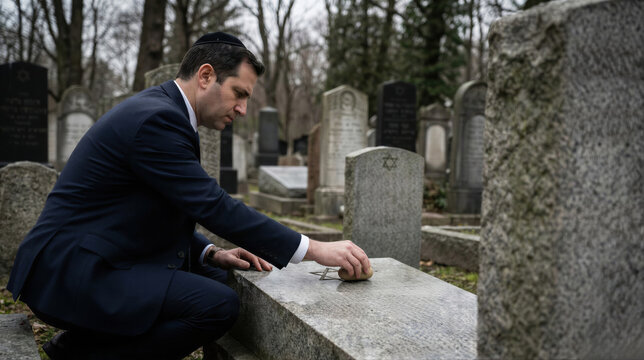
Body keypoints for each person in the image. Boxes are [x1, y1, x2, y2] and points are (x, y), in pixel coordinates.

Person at [7, 32, 370, 359]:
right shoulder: (157, 120)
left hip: (92, 257)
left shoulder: (165, 111)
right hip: (70, 272)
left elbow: (156, 207)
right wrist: (315, 249)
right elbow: (213, 206)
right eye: (239, 94)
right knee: (217, 305)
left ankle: (81, 345)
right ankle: (87, 354)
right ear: (206, 75)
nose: (243, 109)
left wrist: (210, 252)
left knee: (217, 276)